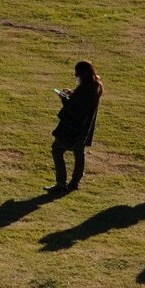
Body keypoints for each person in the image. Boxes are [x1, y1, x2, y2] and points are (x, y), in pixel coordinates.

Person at [52, 60, 102, 192]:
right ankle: (74, 182)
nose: (76, 76)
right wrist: (72, 94)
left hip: (72, 128)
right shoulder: (96, 86)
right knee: (79, 154)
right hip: (84, 130)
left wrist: (64, 98)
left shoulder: (85, 89)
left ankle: (61, 183)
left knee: (57, 150)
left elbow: (74, 108)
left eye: (77, 73)